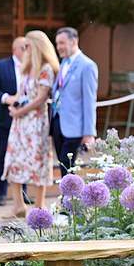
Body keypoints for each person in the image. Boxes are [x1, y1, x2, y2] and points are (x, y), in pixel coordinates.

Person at [1, 31, 58, 216]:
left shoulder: (46, 69)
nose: (24, 50)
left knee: (37, 161)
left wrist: (20, 111)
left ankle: (39, 207)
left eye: (27, 46)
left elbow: (40, 98)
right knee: (13, 160)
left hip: (36, 123)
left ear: (36, 46)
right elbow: (20, 94)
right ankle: (18, 206)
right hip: (20, 123)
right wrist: (13, 105)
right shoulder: (26, 68)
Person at [51, 27, 98, 177]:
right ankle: (68, 199)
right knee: (63, 164)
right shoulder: (64, 63)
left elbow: (89, 101)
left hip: (75, 126)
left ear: (74, 41)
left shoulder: (87, 65)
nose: (59, 47)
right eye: (57, 44)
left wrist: (89, 133)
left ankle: (70, 199)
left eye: (62, 43)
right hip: (58, 122)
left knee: (68, 165)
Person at [0, 37, 30, 206]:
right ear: (16, 49)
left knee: (25, 156)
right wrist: (6, 98)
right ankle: (1, 193)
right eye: (25, 47)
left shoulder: (31, 67)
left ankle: (24, 194)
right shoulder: (0, 66)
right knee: (4, 156)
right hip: (5, 119)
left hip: (26, 119)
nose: (28, 51)